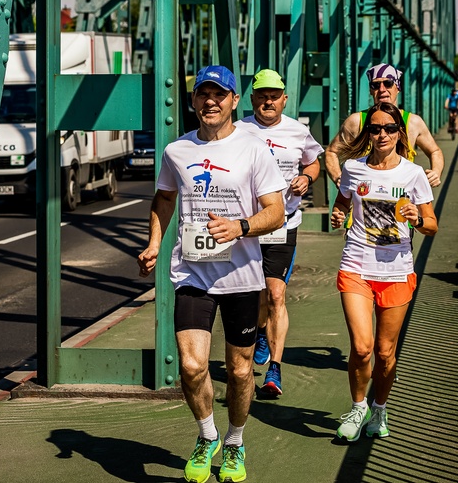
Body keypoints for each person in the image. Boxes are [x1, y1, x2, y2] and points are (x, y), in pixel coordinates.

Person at [137, 65, 285, 483]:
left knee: (239, 372)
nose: (211, 101)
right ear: (194, 100)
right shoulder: (176, 151)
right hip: (193, 275)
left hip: (242, 277)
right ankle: (208, 435)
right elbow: (164, 198)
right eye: (203, 94)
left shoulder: (254, 149)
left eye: (220, 94)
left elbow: (275, 212)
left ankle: (235, 442)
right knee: (190, 364)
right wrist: (153, 243)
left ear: (235, 101)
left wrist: (239, 227)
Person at [329, 102, 438, 442]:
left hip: (397, 271)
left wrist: (417, 218)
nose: (382, 135)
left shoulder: (412, 174)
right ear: (368, 134)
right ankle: (358, 406)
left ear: (399, 134)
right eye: (375, 129)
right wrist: (337, 216)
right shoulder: (353, 169)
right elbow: (342, 204)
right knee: (361, 348)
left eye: (389, 129)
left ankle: (379, 407)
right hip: (357, 266)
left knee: (385, 353)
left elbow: (432, 225)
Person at [234, 68, 324, 398]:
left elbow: (315, 162)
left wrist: (308, 178)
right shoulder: (238, 130)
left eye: (274, 95)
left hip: (284, 224)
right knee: (256, 296)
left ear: (285, 99)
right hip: (247, 227)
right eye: (262, 95)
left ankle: (274, 369)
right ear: (251, 99)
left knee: (275, 295)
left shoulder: (298, 132)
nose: (268, 101)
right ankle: (260, 330)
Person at [325, 63, 444, 189]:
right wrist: (339, 177)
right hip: (363, 202)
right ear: (371, 90)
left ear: (398, 87)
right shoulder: (357, 121)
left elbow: (435, 151)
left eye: (388, 83)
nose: (382, 89)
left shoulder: (413, 122)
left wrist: (436, 172)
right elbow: (331, 152)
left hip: (401, 202)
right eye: (375, 85)